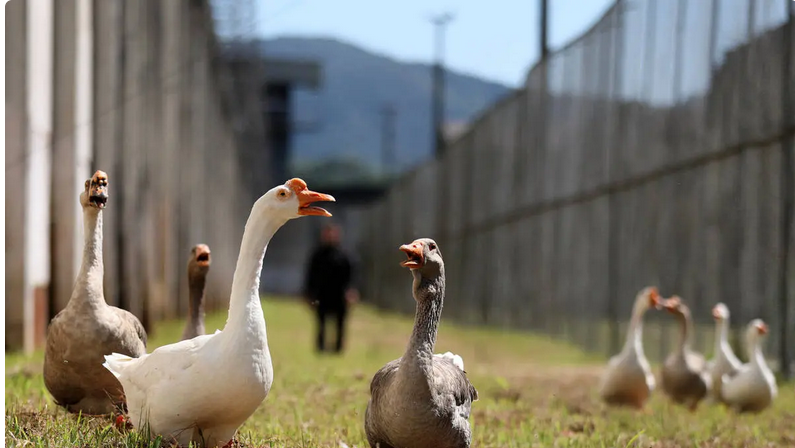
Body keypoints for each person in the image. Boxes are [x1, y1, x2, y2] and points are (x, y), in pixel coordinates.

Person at [304, 222, 358, 354]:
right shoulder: (317, 255)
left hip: (340, 296)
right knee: (321, 324)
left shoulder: (345, 255)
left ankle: (338, 350)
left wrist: (351, 292)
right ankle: (320, 349)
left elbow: (352, 275)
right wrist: (308, 293)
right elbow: (310, 275)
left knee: (340, 324)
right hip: (322, 295)